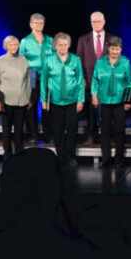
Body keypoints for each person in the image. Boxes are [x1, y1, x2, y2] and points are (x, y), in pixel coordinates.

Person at [40, 32, 84, 167]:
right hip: (55, 101)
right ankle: (60, 156)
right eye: (60, 45)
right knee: (57, 130)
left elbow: (80, 81)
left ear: (69, 45)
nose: (63, 47)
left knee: (72, 130)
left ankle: (70, 156)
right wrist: (43, 100)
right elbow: (43, 81)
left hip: (72, 101)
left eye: (65, 44)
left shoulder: (76, 60)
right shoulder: (49, 60)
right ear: (55, 46)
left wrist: (80, 100)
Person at [91, 36, 131, 168]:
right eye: (113, 49)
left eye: (118, 49)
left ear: (121, 49)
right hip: (104, 101)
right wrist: (94, 96)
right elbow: (95, 80)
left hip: (120, 101)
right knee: (105, 131)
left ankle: (119, 160)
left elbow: (129, 82)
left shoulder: (125, 62)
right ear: (108, 48)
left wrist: (128, 99)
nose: (115, 51)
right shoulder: (100, 62)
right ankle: (106, 159)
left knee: (119, 131)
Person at [76, 11, 116, 144]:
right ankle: (91, 136)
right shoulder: (83, 40)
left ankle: (108, 137)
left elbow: (117, 60)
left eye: (99, 21)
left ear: (104, 22)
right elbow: (79, 62)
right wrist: (82, 79)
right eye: (94, 21)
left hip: (108, 82)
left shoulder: (112, 38)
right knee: (90, 111)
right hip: (89, 81)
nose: (96, 24)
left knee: (108, 111)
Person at [0, 35, 32, 158]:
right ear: (6, 46)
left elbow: (28, 81)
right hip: (6, 101)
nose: (14, 47)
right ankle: (7, 154)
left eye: (15, 45)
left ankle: (19, 154)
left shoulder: (23, 59)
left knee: (19, 130)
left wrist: (28, 98)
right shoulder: (0, 60)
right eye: (11, 45)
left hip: (21, 101)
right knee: (7, 130)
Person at [18, 13, 54, 141]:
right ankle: (33, 134)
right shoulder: (25, 41)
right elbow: (21, 60)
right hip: (31, 77)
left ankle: (48, 134)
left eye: (41, 23)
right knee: (31, 106)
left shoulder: (50, 40)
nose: (39, 25)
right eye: (36, 23)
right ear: (31, 25)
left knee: (47, 107)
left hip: (47, 77)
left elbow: (55, 58)